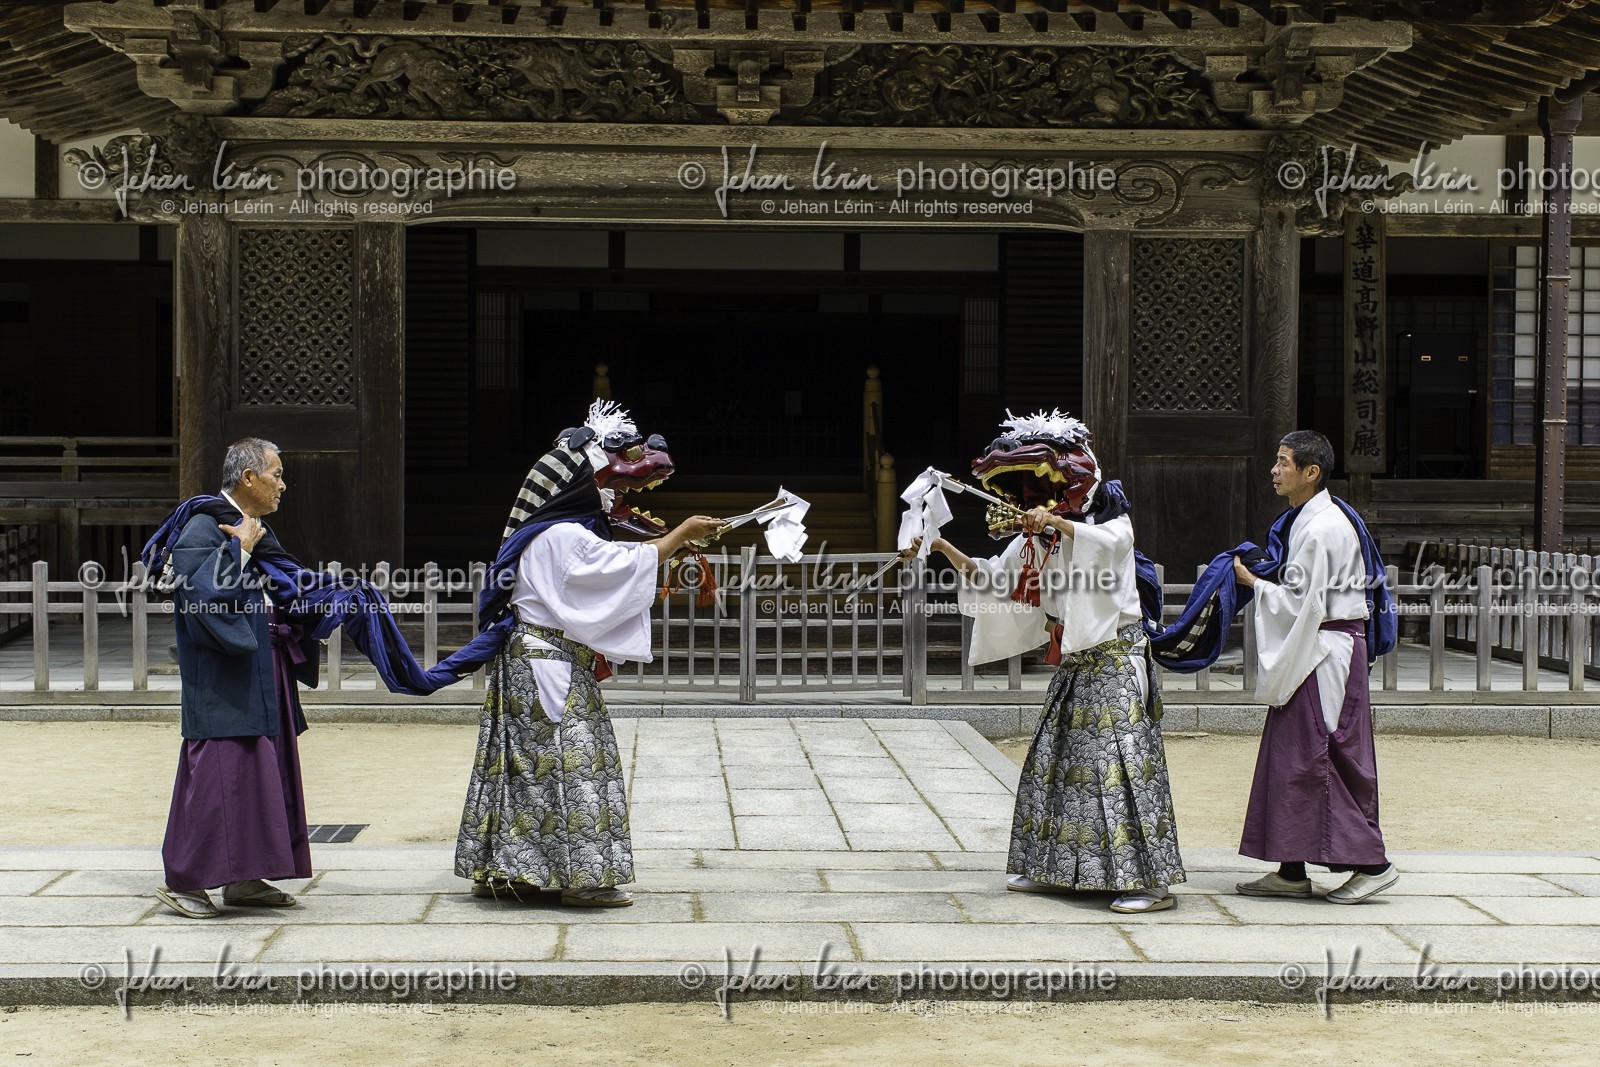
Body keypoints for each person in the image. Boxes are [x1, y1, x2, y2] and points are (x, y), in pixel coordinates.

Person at [912, 411, 1184, 914]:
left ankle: (1150, 883)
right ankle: (1056, 871)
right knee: (1053, 766)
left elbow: (1110, 546)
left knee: (1118, 771)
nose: (1031, 505)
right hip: (1079, 668)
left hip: (1118, 659)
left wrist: (1056, 520)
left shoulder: (1109, 523)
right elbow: (991, 578)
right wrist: (939, 544)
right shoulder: (1037, 540)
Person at [454, 402, 721, 907]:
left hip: (533, 661)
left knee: (522, 765)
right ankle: (581, 877)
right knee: (572, 764)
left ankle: (509, 870)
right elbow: (614, 568)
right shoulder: (560, 535)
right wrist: (678, 536)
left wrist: (669, 545)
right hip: (546, 662)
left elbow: (615, 564)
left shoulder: (549, 534)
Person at [152, 438, 319, 919]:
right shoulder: (203, 525)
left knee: (259, 768)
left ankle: (246, 877)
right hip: (223, 670)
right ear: (249, 478)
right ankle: (186, 882)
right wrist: (239, 550)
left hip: (260, 665)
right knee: (217, 772)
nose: (282, 484)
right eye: (276, 473)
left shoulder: (251, 526)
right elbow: (199, 596)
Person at [1232, 430, 1398, 904]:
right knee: (1293, 757)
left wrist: (1253, 583)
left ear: (1311, 472)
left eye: (1284, 462)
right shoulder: (1315, 517)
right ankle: (1290, 869)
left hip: (1325, 650)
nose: (1274, 470)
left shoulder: (1323, 527)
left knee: (1319, 757)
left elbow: (1300, 603)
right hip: (1323, 646)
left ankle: (1373, 863)